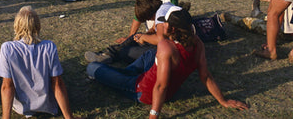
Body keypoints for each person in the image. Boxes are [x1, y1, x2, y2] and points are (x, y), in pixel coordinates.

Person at [86, 6, 248, 116]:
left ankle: (113, 70)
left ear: (171, 27)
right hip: (167, 90)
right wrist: (223, 101)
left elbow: (160, 86)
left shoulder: (166, 47)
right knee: (149, 56)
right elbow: (205, 76)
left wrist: (153, 115)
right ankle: (125, 72)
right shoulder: (197, 42)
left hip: (143, 91)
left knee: (93, 68)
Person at [0, 6, 79, 119]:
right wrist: (69, 117)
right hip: (48, 105)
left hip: (22, 107)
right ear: (37, 25)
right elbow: (57, 84)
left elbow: (7, 87)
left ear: (17, 25)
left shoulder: (7, 48)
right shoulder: (49, 47)